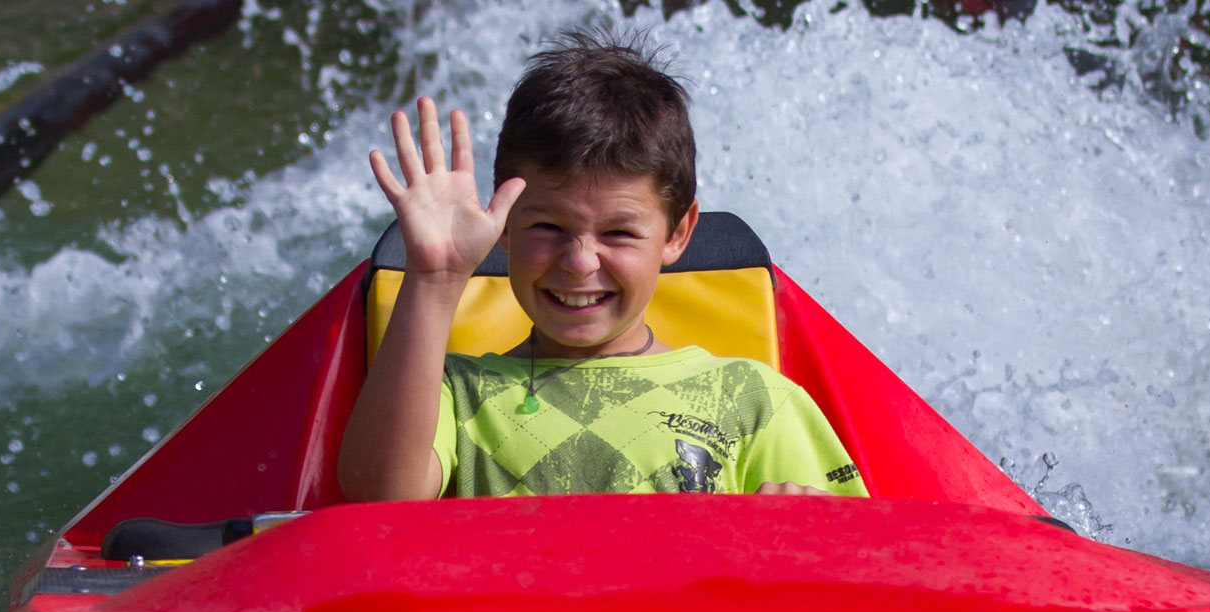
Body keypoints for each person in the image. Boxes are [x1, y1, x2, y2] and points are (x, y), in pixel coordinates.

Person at [337, 30, 866, 501]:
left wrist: (809, 527)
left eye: (618, 232)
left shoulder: (753, 398)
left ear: (677, 232)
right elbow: (382, 503)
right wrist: (435, 278)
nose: (579, 261)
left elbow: (862, 571)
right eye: (547, 227)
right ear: (503, 225)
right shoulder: (452, 393)